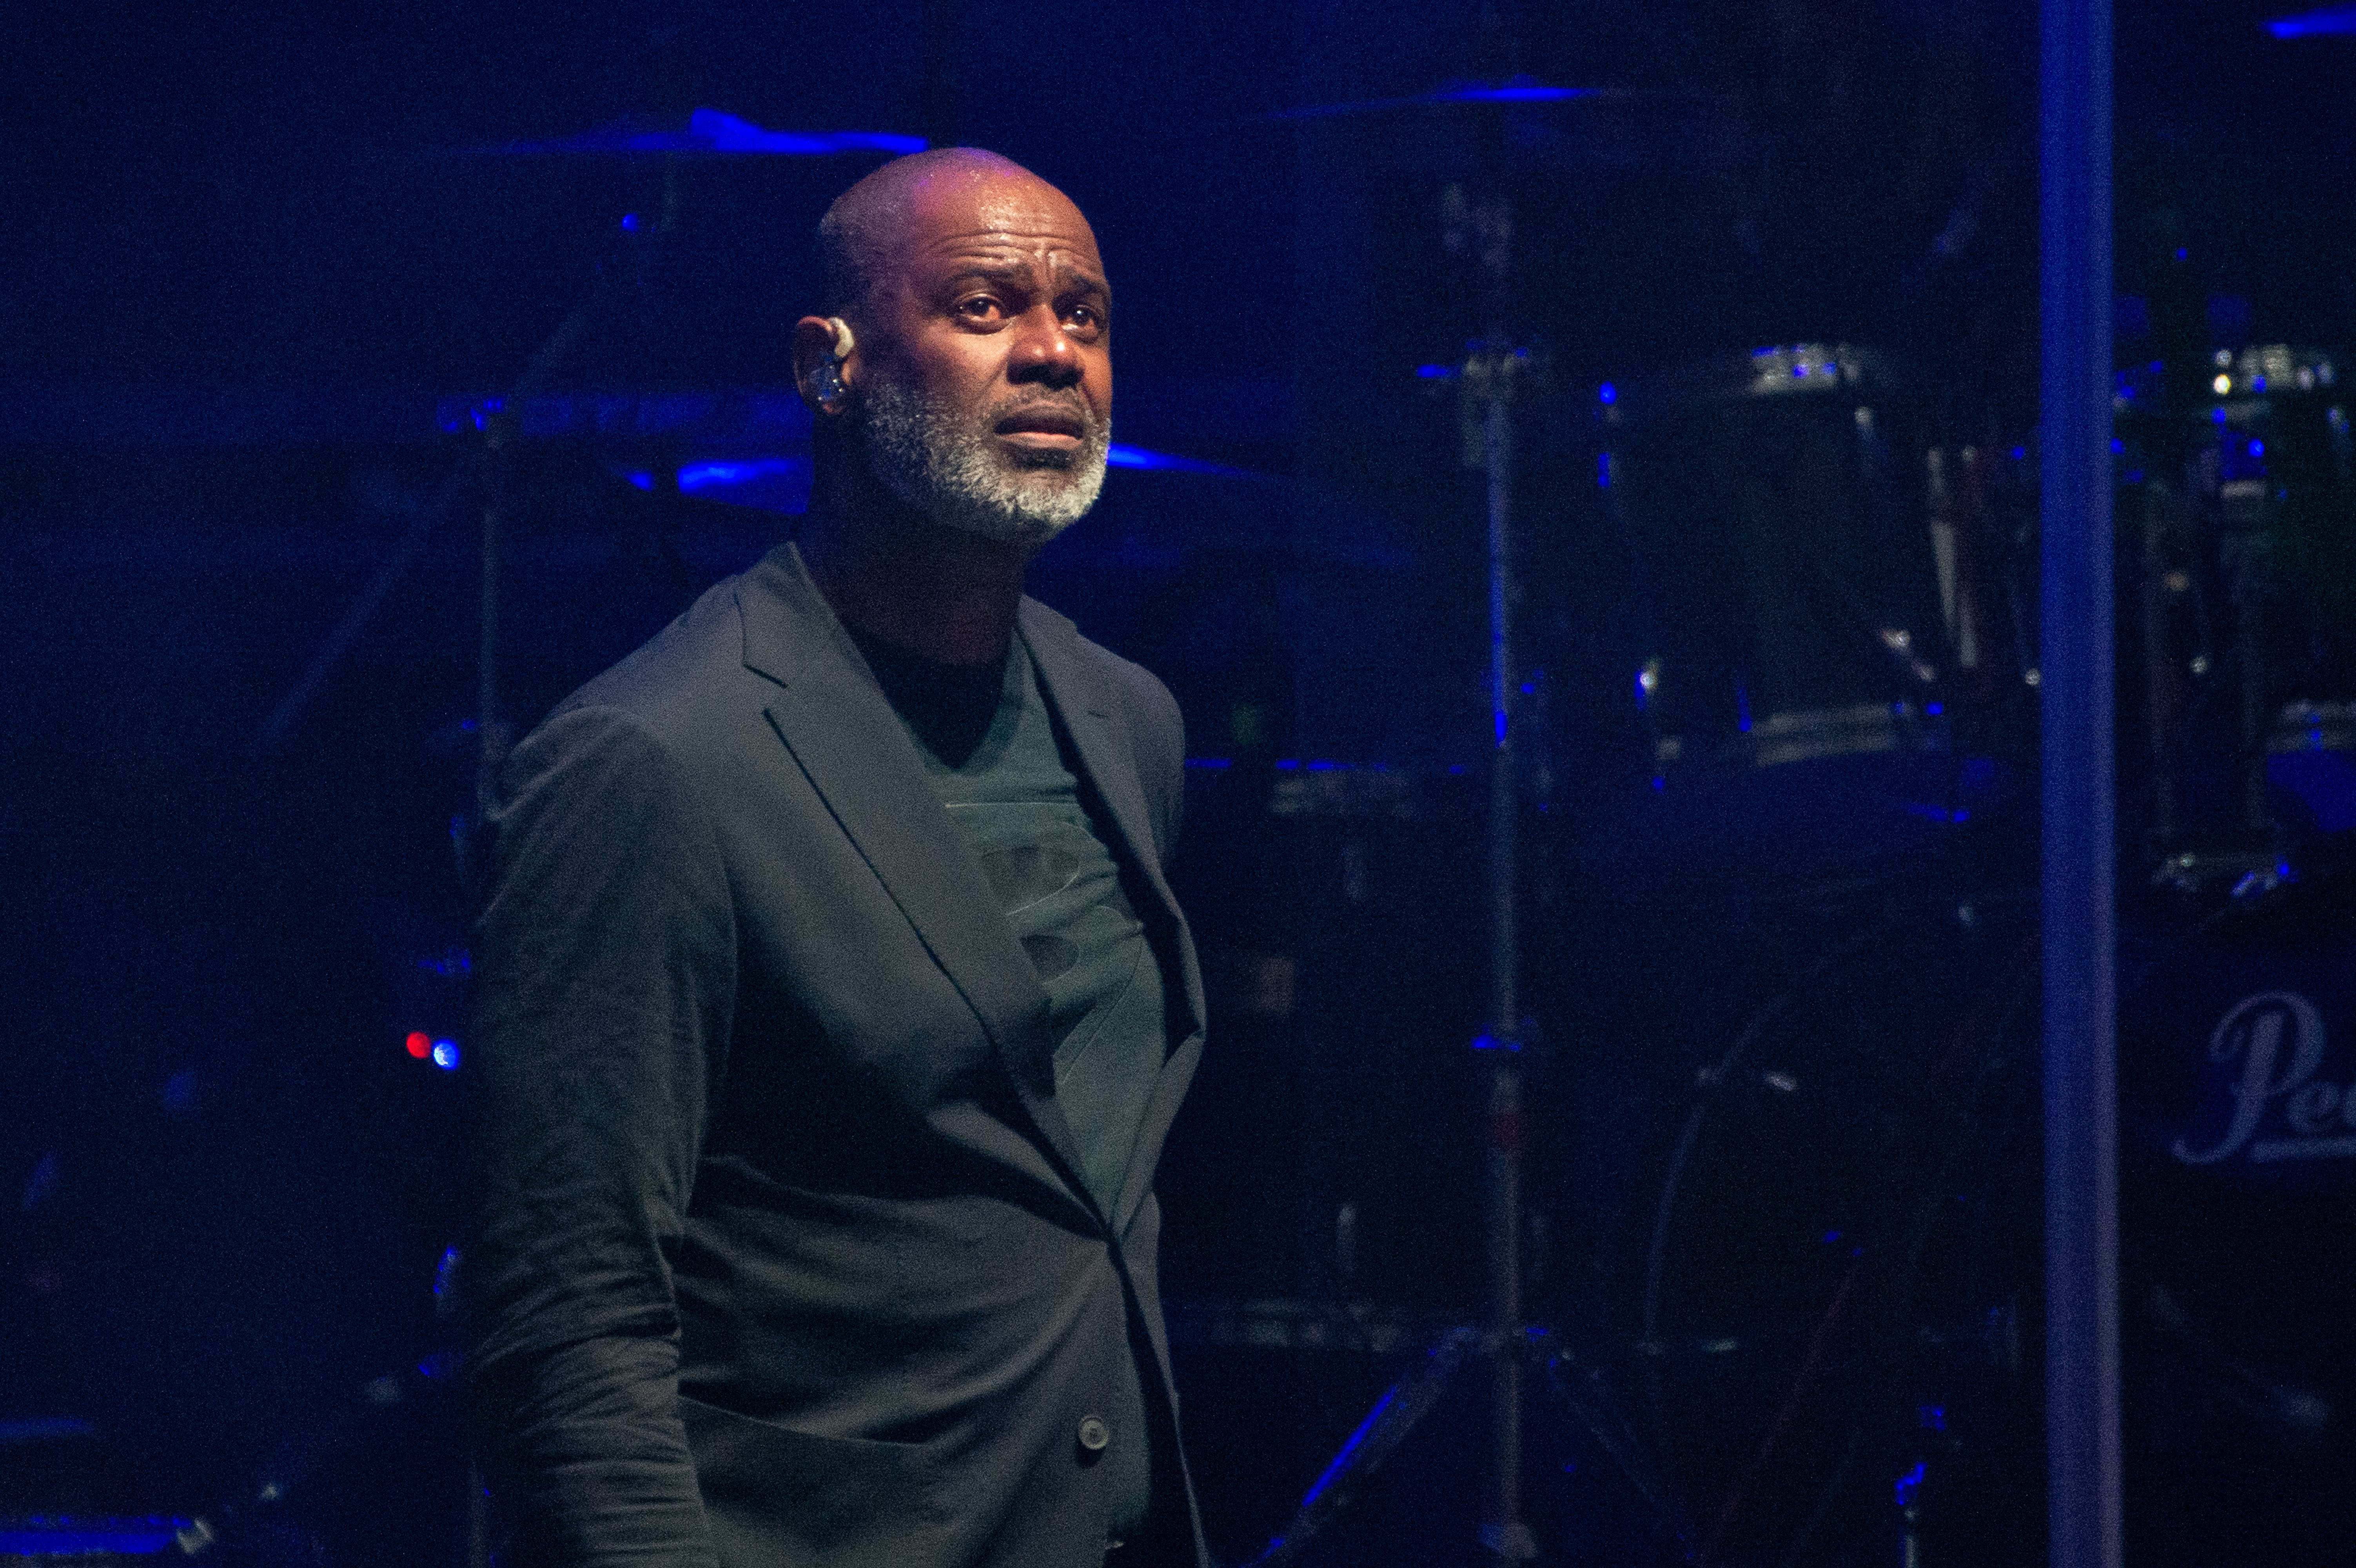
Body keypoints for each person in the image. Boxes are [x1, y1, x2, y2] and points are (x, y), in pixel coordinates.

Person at [463, 147, 1209, 1568]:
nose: (1053, 352)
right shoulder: (653, 764)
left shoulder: (1130, 723)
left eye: (1087, 317)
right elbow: (568, 1322)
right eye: (987, 308)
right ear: (830, 368)